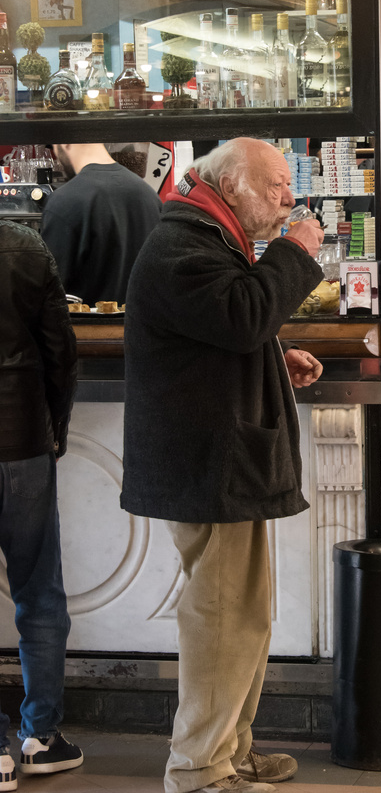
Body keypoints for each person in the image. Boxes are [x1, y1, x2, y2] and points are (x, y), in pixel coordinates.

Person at [120, 138, 325, 793]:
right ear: (230, 185)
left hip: (220, 458)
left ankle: (229, 751)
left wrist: (271, 356)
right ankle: (199, 769)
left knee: (243, 617)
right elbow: (241, 315)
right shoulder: (184, 242)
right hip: (209, 463)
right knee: (219, 621)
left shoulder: (202, 235)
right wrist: (296, 252)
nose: (288, 198)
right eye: (273, 185)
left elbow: (228, 327)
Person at [0, 220, 83, 788]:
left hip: (27, 435)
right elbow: (60, 349)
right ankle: (41, 737)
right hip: (22, 438)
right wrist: (54, 427)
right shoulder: (25, 246)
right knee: (38, 590)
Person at [41, 143, 162, 306]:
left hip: (87, 328)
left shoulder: (64, 201)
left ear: (65, 143)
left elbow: (49, 289)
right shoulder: (149, 195)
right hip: (141, 327)